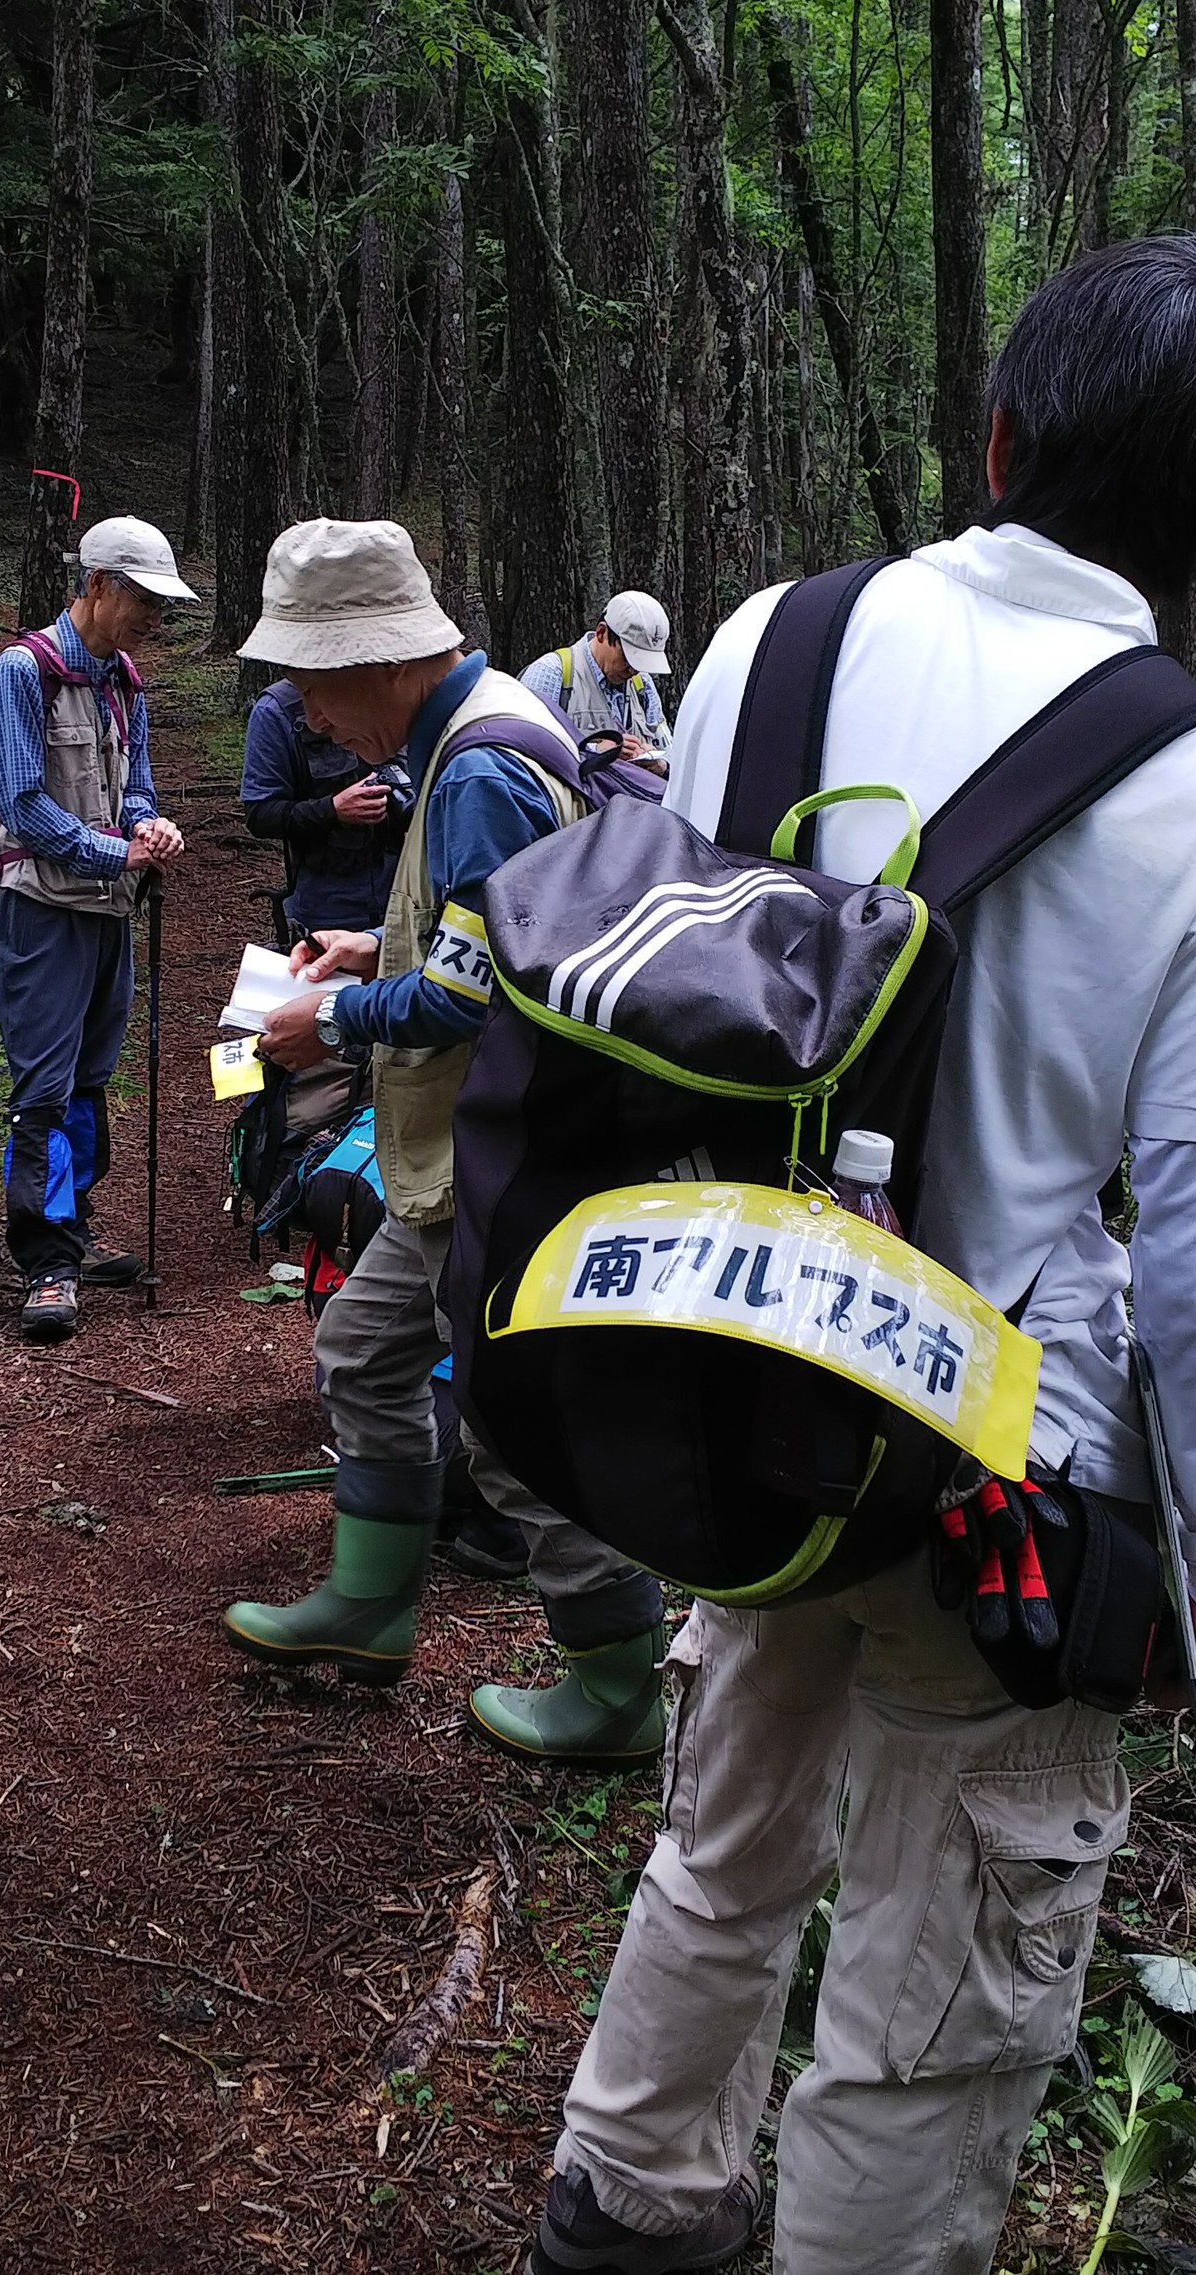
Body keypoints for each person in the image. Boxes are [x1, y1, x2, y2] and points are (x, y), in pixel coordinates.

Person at [526, 237, 1196, 2275]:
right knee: (944, 1986)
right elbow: (1178, 1243)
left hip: (724, 1370)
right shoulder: (1180, 775)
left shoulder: (763, 637)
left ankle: (628, 2193)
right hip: (994, 1452)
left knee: (728, 1823)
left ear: (994, 441)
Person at [221, 519, 666, 1764]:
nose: (307, 713)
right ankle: (369, 1606)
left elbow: (472, 995)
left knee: (513, 1425)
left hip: (494, 1154)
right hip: (464, 1153)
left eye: (312, 679)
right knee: (365, 1353)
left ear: (379, 662)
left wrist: (337, 1017)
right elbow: (497, 936)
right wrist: (380, 947)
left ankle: (619, 1685)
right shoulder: (483, 727)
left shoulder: (472, 768)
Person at [0, 515, 192, 1344]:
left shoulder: (123, 677)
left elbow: (134, 785)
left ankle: (75, 1226)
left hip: (107, 908)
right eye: (144, 598)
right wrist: (114, 851)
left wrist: (151, 827)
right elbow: (20, 802)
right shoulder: (21, 672)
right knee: (42, 1088)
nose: (153, 617)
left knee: (91, 1079)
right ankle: (45, 1263)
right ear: (98, 584)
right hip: (40, 910)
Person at [240, 677, 409, 942]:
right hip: (329, 904)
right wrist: (333, 810)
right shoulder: (278, 710)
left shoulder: (391, 687)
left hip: (409, 894)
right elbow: (260, 814)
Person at [520, 592, 673, 769]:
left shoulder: (642, 684)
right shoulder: (552, 673)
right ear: (601, 633)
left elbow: (669, 748)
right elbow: (525, 748)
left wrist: (661, 764)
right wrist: (595, 751)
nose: (634, 670)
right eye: (629, 658)